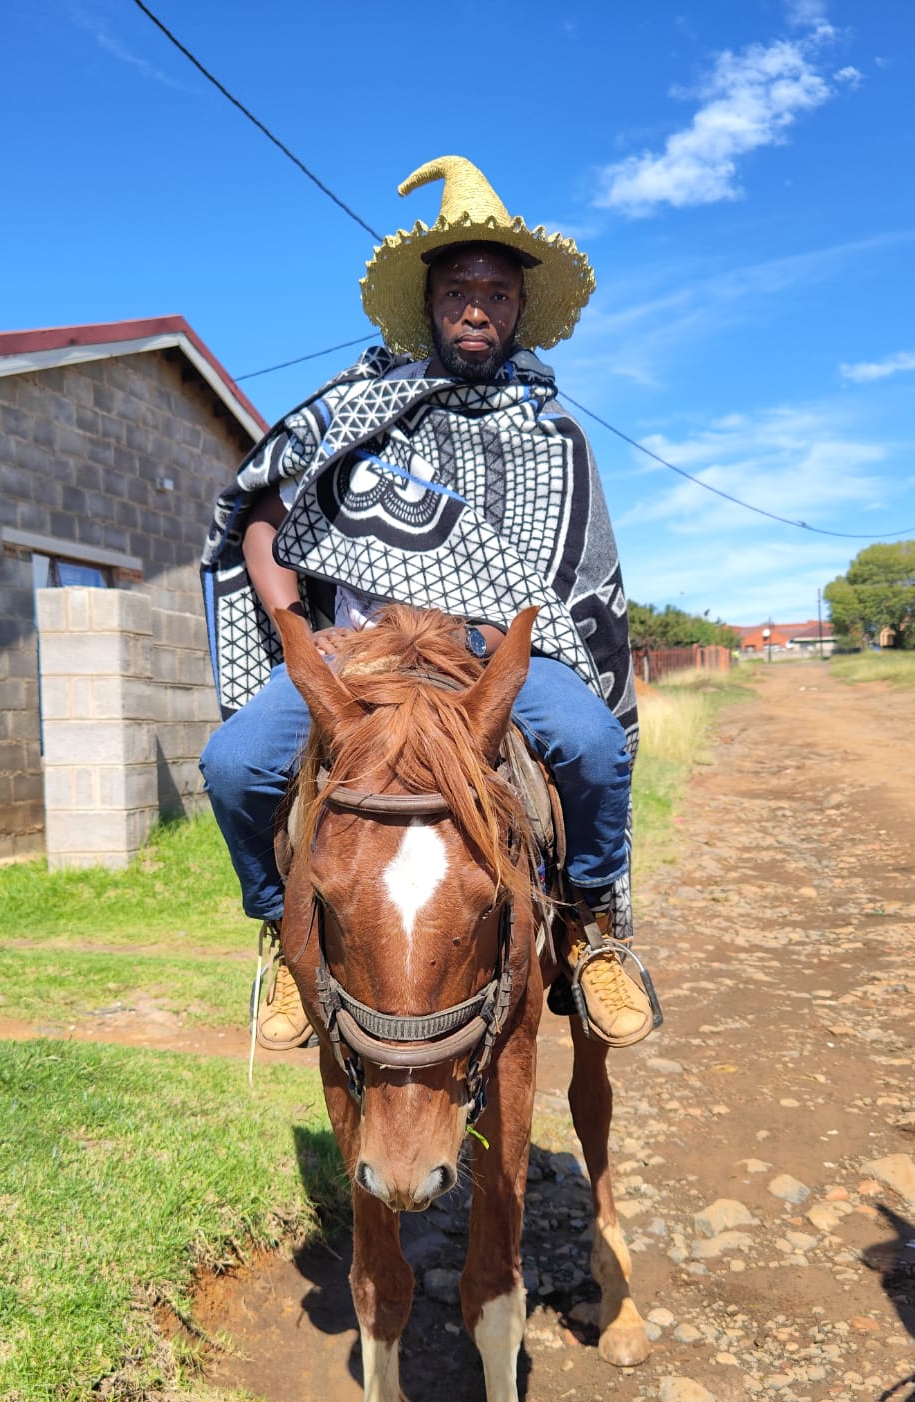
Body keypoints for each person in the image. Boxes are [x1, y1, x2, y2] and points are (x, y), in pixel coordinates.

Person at [199, 155, 656, 1049]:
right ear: (432, 304)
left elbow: (577, 580)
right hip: (358, 654)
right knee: (233, 768)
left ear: (519, 309)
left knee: (596, 750)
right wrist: (296, 627)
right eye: (458, 290)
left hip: (496, 657)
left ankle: (594, 928)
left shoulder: (554, 436)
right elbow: (261, 515)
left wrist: (502, 630)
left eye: (495, 291)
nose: (477, 307)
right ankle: (281, 934)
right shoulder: (352, 413)